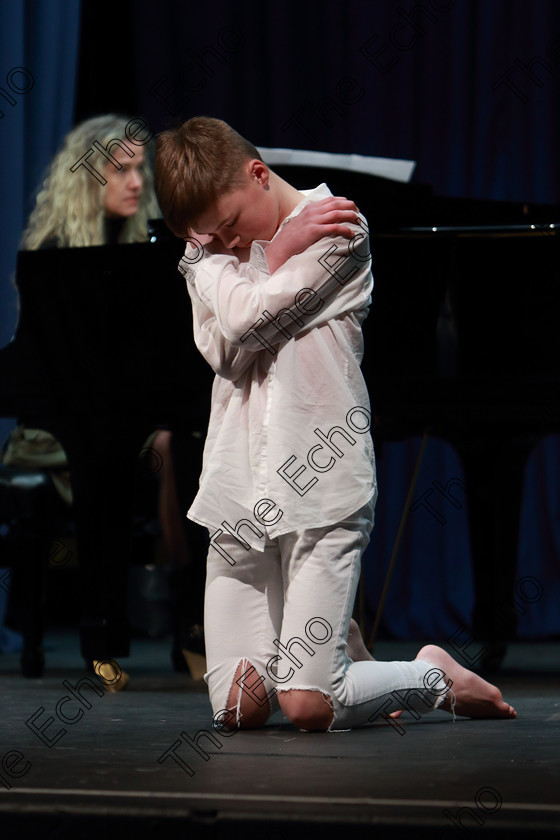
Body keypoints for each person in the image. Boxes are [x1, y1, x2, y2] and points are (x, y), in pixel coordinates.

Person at [153, 116, 516, 731]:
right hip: (238, 492)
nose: (228, 246)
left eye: (233, 228)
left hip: (320, 480)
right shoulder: (211, 246)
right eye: (212, 240)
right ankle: (339, 652)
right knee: (238, 708)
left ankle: (433, 674)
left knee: (307, 705)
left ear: (259, 174)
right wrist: (263, 253)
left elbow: (243, 326)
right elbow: (219, 353)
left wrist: (247, 258)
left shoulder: (337, 227)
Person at [1, 114, 205, 684]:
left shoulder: (156, 249)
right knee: (147, 445)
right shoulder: (53, 252)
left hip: (136, 422)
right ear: (88, 177)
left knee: (184, 445)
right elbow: (52, 366)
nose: (137, 181)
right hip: (60, 426)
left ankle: (192, 623)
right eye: (121, 170)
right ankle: (113, 632)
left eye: (141, 169)